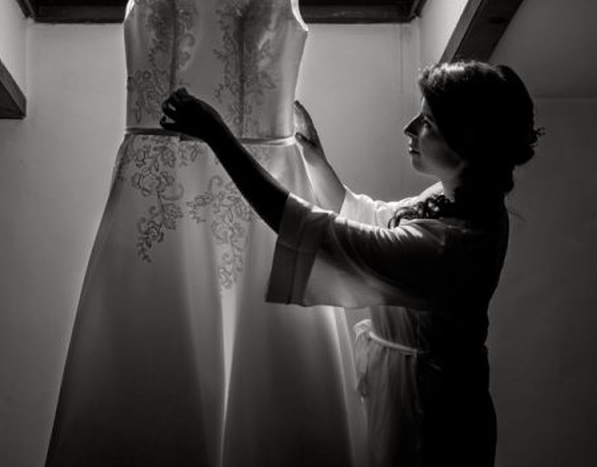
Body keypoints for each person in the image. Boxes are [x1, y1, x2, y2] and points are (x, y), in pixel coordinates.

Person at [160, 60, 540, 467]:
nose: (409, 128)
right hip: (412, 389)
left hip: (430, 411)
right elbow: (371, 217)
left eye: (427, 122)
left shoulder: (451, 245)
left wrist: (219, 138)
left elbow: (319, 233)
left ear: (468, 140)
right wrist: (313, 157)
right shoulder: (463, 198)